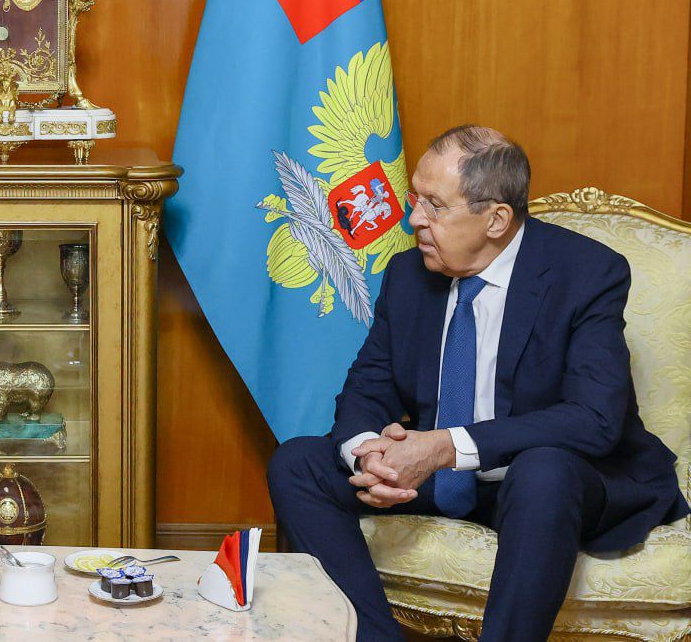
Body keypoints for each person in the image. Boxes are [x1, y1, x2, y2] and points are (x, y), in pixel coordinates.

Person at [268, 125, 689, 641]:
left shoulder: (586, 273)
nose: (414, 219)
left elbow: (595, 419)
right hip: (440, 480)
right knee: (297, 463)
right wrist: (369, 456)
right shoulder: (408, 273)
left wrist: (445, 447)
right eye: (415, 199)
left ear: (496, 219)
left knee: (542, 471)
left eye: (435, 205)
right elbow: (369, 384)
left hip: (549, 485)